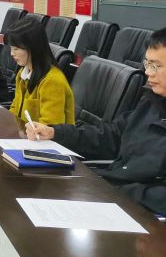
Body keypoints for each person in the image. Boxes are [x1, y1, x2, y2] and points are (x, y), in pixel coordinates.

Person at [26, 27, 166, 216]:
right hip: (112, 193)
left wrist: (120, 193)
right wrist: (55, 132)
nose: (148, 72)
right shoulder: (152, 102)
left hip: (140, 212)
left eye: (156, 66)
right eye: (147, 64)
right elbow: (110, 136)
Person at [5, 18, 74, 127]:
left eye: (16, 48)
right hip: (24, 134)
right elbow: (15, 108)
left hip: (42, 137)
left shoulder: (52, 81)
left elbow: (50, 127)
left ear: (32, 47)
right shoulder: (22, 74)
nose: (12, 53)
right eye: (11, 48)